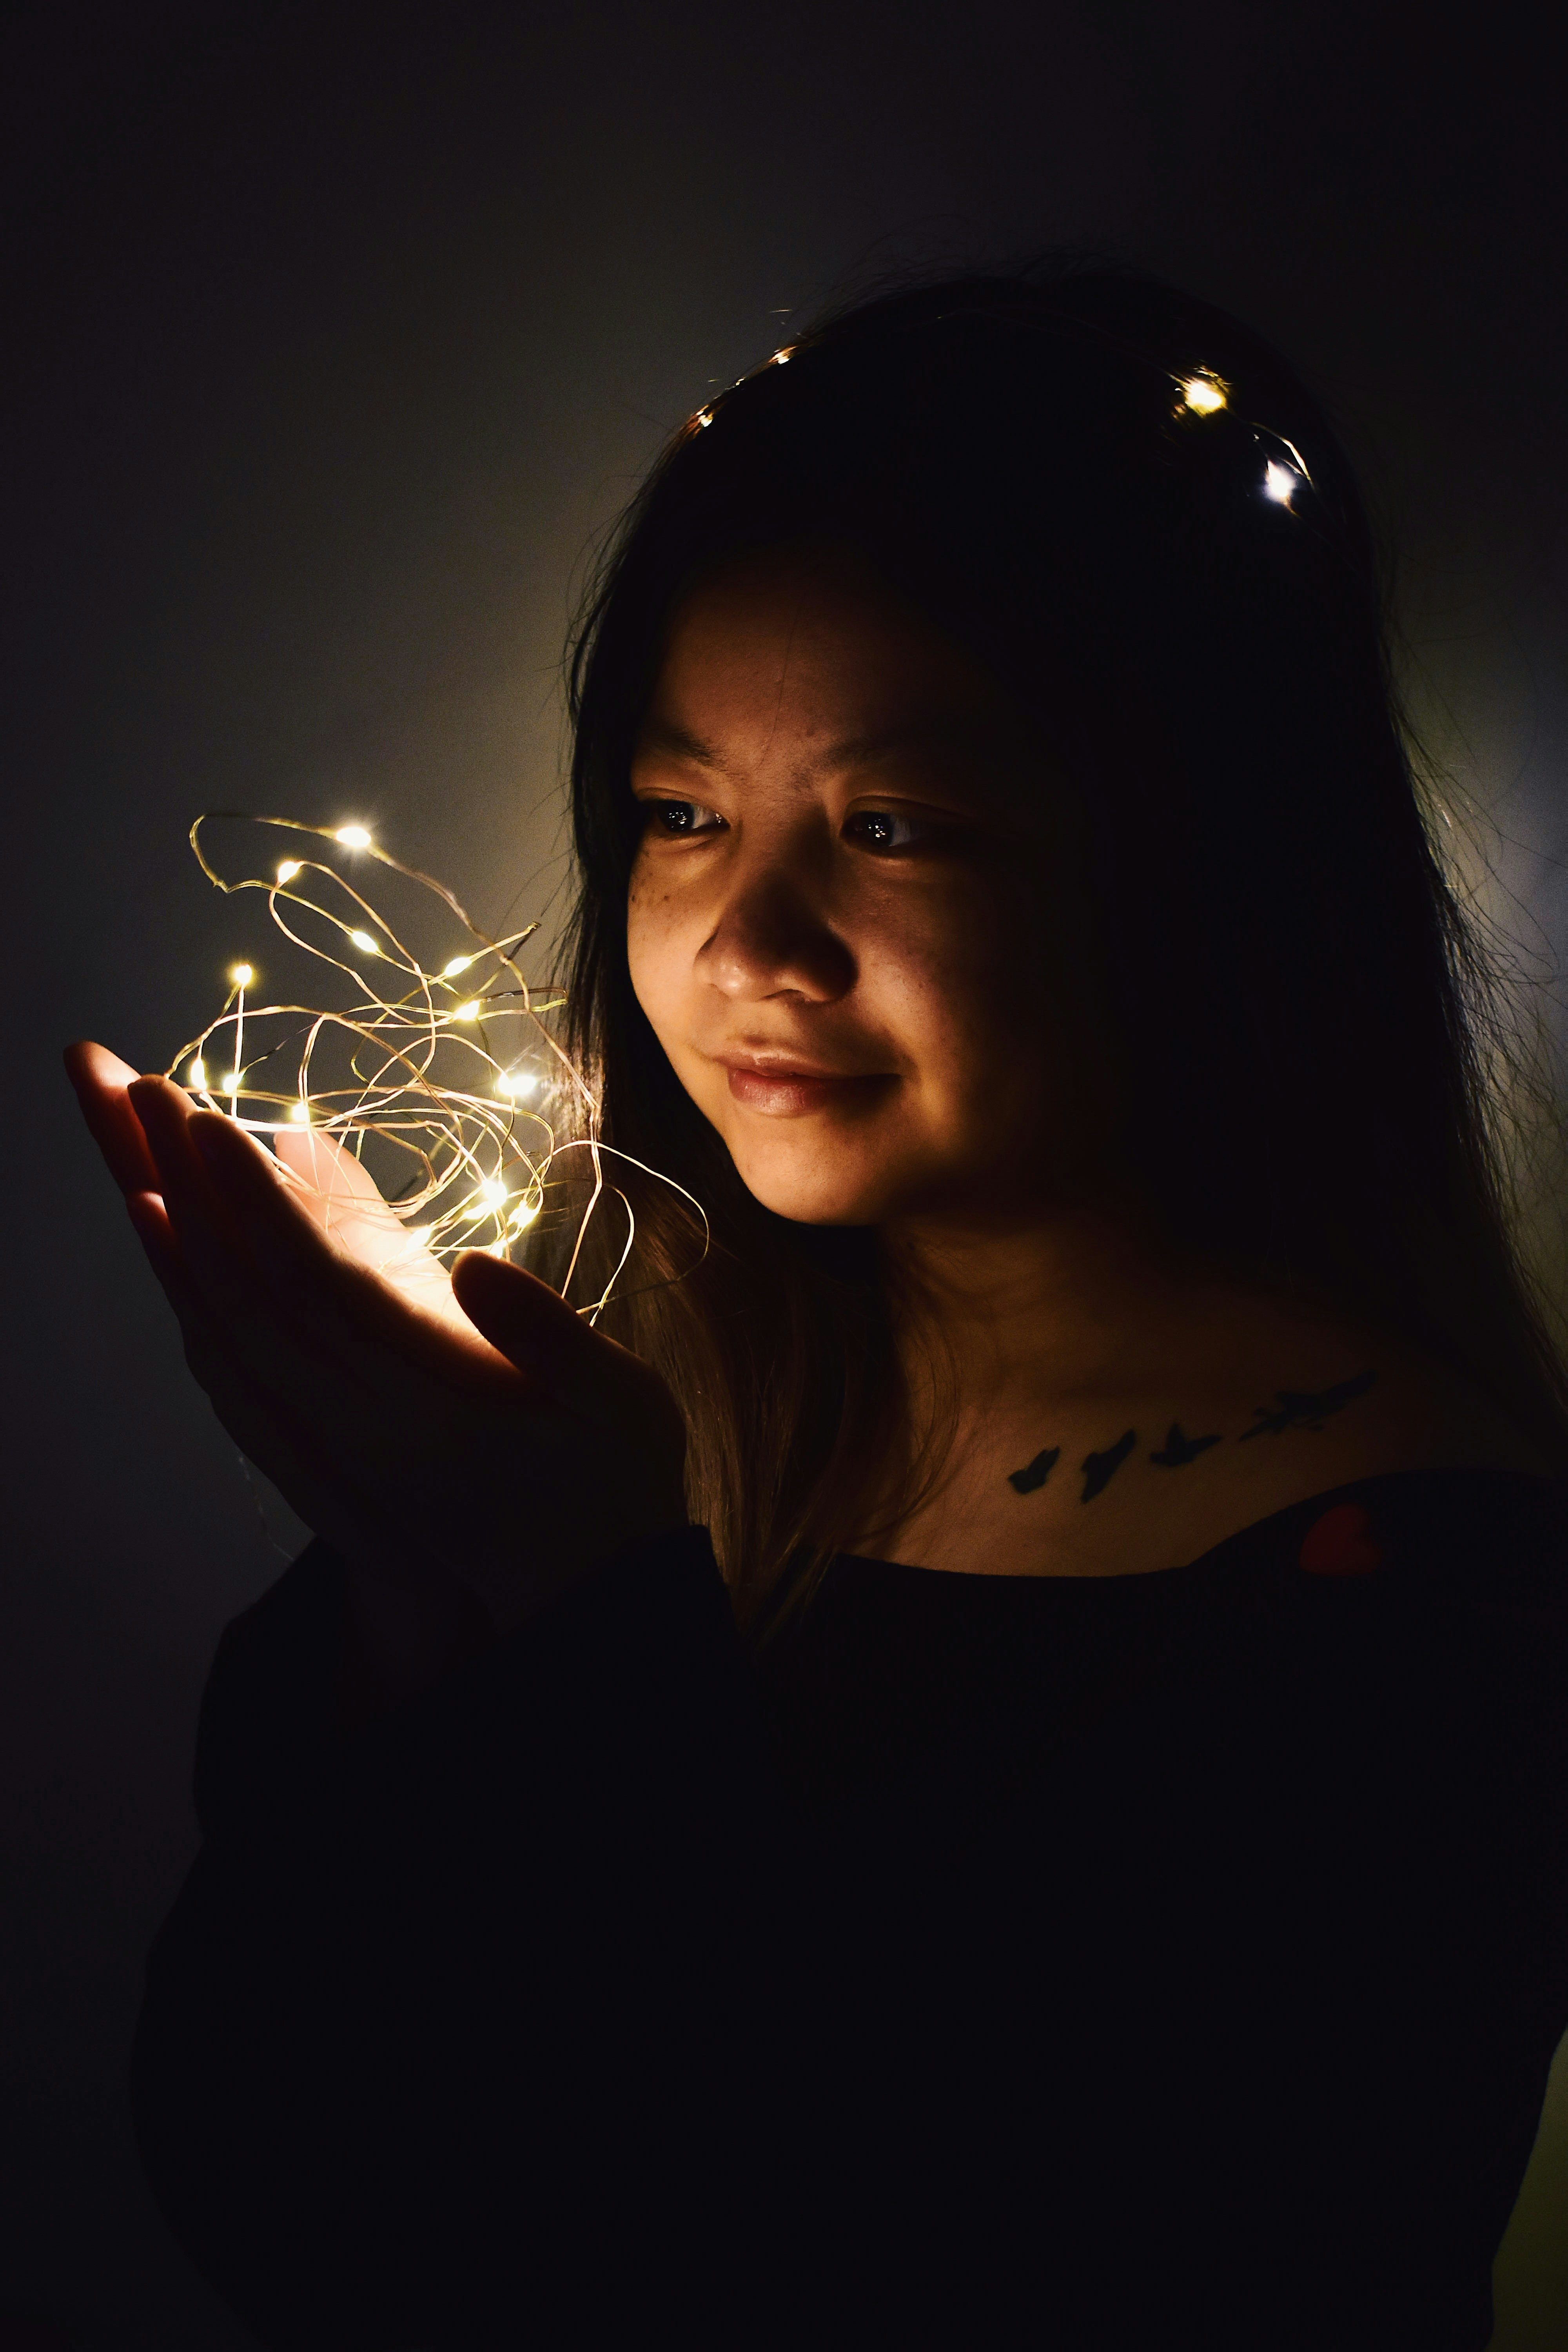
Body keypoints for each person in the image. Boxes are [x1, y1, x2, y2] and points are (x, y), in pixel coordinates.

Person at [67, 264, 1568, 2350]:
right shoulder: (632, 1397)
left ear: (1203, 866)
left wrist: (579, 1617)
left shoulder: (1430, 1591)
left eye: (896, 828)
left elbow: (906, 2253)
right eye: (681, 815)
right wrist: (424, 1618)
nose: (749, 941)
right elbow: (268, 2177)